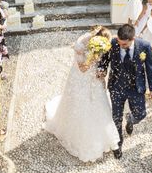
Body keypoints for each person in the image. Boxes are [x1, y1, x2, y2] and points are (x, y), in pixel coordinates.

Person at [44, 27, 119, 162]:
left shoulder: (104, 42)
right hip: (81, 78)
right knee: (81, 106)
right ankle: (83, 141)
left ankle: (104, 137)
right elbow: (83, 68)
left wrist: (102, 73)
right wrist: (93, 57)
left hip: (95, 79)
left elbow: (105, 60)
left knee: (100, 105)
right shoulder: (81, 45)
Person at [98, 24, 152, 159]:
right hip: (116, 86)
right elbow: (104, 60)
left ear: (133, 39)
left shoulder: (144, 46)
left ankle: (130, 119)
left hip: (136, 88)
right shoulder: (113, 43)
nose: (120, 45)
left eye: (124, 44)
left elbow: (150, 67)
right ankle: (118, 144)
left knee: (141, 114)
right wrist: (101, 69)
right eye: (119, 42)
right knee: (116, 118)